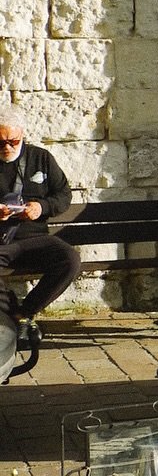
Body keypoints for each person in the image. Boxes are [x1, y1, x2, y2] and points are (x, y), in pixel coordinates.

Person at [0, 106, 83, 322]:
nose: (7, 147)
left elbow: (63, 195)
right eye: (0, 143)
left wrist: (41, 208)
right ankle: (10, 313)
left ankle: (24, 312)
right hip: (2, 242)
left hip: (35, 239)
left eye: (13, 141)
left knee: (70, 259)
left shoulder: (40, 158)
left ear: (22, 135)